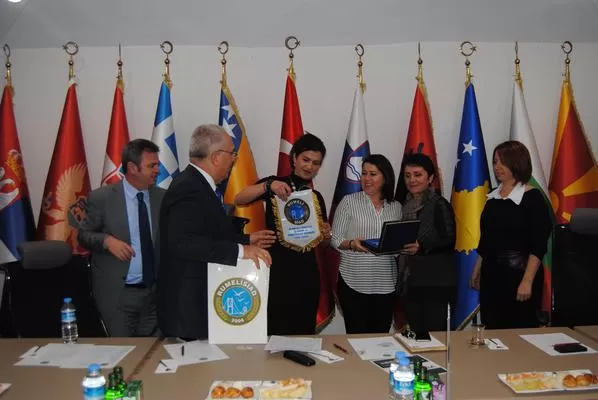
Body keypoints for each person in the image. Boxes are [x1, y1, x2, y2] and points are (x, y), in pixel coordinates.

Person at [157, 124, 273, 340]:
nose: (234, 160)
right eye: (232, 154)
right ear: (217, 157)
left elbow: (207, 234)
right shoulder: (189, 187)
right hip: (188, 309)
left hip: (199, 303)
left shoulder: (197, 183)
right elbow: (183, 243)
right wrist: (241, 251)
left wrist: (246, 240)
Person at [235, 133, 331, 335]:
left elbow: (322, 244)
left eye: (316, 163)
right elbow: (239, 199)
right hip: (278, 271)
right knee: (276, 332)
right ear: (294, 157)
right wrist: (268, 185)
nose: (310, 167)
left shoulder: (316, 197)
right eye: (306, 160)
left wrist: (326, 235)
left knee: (304, 333)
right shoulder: (276, 184)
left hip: (307, 274)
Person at [78, 139, 165, 337]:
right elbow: (83, 236)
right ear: (133, 168)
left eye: (157, 164)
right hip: (118, 293)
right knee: (123, 350)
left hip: (154, 294)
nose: (157, 170)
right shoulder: (102, 198)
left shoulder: (162, 197)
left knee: (153, 351)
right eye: (152, 166)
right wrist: (106, 241)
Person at [470, 140, 552, 329]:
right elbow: (487, 238)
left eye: (503, 162)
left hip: (519, 274)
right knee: (492, 329)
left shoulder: (533, 198)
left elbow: (538, 244)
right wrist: (477, 269)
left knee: (518, 331)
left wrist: (527, 281)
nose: (497, 167)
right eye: (495, 162)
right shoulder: (493, 197)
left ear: (517, 163)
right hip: (492, 275)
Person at [331, 154, 402, 333]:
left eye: (373, 174)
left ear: (385, 177)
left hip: (386, 285)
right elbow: (335, 239)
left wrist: (403, 246)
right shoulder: (349, 202)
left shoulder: (396, 206)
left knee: (380, 340)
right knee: (357, 339)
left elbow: (395, 248)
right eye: (364, 173)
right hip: (353, 282)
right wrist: (351, 244)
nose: (366, 178)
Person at [396, 153, 456, 334]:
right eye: (407, 175)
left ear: (430, 178)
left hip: (435, 283)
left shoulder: (439, 204)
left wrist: (421, 246)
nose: (412, 180)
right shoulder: (402, 205)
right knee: (414, 337)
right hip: (411, 281)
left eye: (418, 174)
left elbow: (449, 239)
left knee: (434, 338)